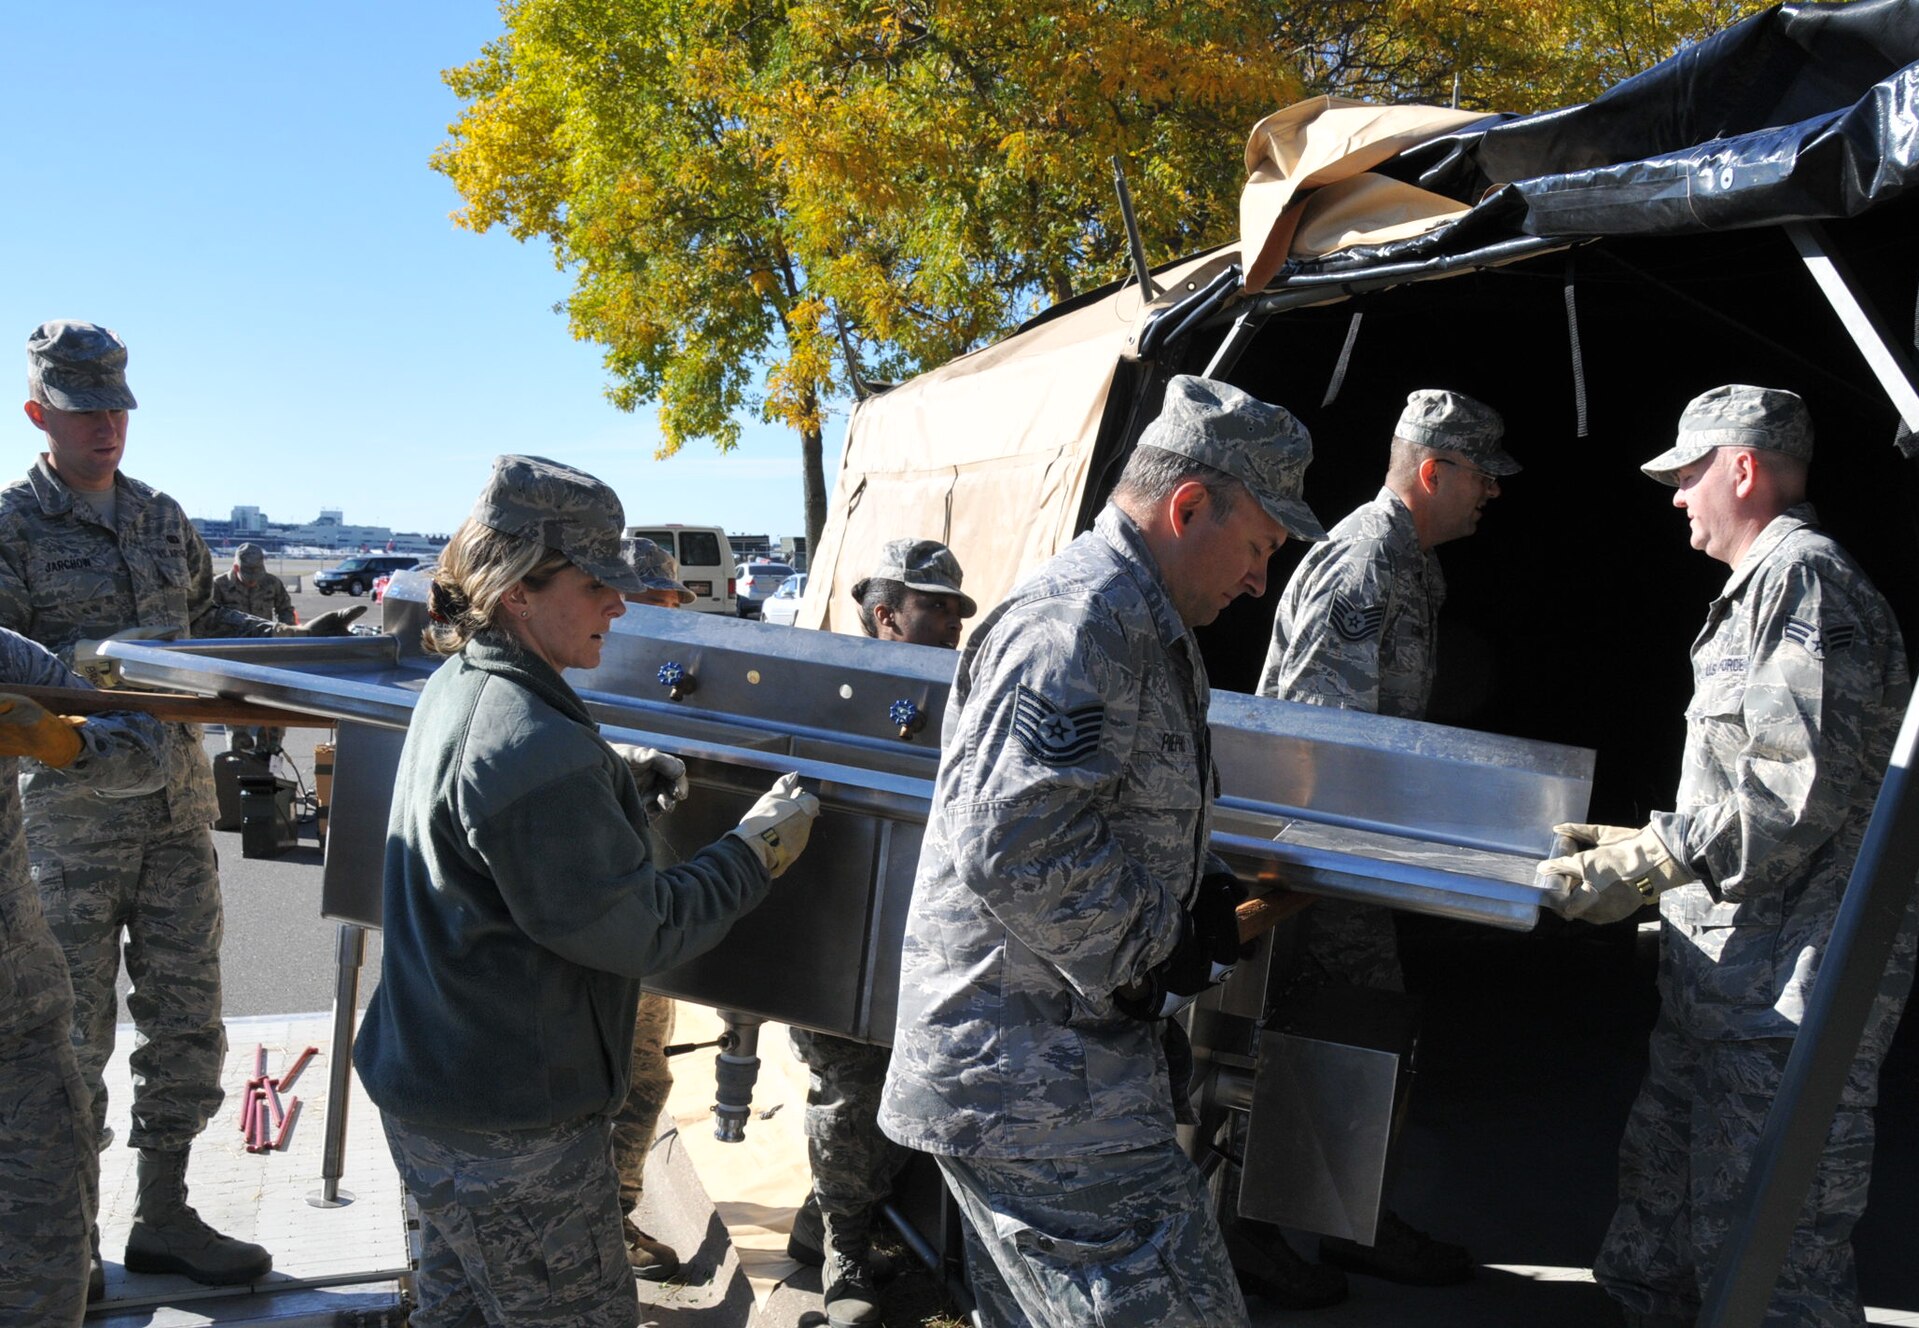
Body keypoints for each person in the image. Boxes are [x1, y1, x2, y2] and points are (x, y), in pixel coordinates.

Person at [879, 375, 1325, 1328]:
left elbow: (1101, 813)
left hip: (1055, 1072)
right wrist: (1156, 949)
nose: (1259, 580)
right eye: (1258, 547)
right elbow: (1012, 835)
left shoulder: (1141, 620)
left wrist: (1194, 896)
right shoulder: (1080, 622)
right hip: (1034, 1086)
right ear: (1188, 504)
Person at [353, 455, 822, 1326]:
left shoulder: (461, 686)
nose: (619, 603)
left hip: (433, 1096)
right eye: (596, 582)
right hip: (512, 1138)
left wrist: (615, 787)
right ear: (518, 591)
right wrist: (753, 854)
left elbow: (499, 847)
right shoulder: (533, 742)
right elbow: (641, 934)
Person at [1535, 385, 1919, 1328]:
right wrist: (1642, 845)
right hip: (1723, 987)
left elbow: (1794, 792)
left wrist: (1651, 859)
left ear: (1742, 469)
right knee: (1659, 1226)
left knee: (1770, 1258)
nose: (1675, 496)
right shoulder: (1760, 591)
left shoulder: (1806, 583)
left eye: (1687, 473)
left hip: (1785, 1000)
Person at [0, 321, 362, 1291]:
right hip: (67, 821)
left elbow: (209, 625)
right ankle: (57, 1237)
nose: (106, 427)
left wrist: (302, 645)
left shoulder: (162, 518)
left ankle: (164, 1212)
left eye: (118, 408)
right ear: (40, 414)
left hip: (175, 813)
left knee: (188, 1023)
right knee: (69, 1038)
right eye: (84, 412)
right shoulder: (10, 527)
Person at [1242, 388, 1518, 1298]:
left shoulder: (1409, 564)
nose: (1492, 495)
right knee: (1319, 1034)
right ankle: (1266, 1235)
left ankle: (1338, 1218)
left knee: (1348, 1037)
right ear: (1434, 470)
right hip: (1323, 862)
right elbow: (1323, 743)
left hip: (1350, 859)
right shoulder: (1366, 563)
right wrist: (1331, 875)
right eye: (1481, 477)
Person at [787, 537, 977, 1328]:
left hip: (926, 941)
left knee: (909, 1092)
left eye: (955, 609)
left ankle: (827, 1217)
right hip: (839, 936)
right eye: (932, 607)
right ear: (882, 613)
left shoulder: (968, 689)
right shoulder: (825, 685)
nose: (950, 624)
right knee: (849, 1095)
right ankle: (844, 1250)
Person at [0, 634, 167, 1325]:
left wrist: (65, 746)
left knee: (44, 1277)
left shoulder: (6, 658)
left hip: (15, 1033)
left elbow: (143, 748)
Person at [607, 535, 697, 1281]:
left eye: (672, 605)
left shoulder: (682, 680)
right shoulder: (573, 673)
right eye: (652, 603)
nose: (666, 617)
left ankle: (614, 1216)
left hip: (651, 918)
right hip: (587, 930)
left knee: (644, 1079)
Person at [211, 542, 297, 763]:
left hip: (267, 659)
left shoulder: (271, 583)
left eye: (257, 572)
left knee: (273, 713)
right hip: (233, 662)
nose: (253, 579)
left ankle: (270, 759)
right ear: (236, 567)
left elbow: (286, 610)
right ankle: (239, 762)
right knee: (236, 716)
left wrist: (284, 636)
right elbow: (207, 620)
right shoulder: (218, 586)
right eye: (248, 573)